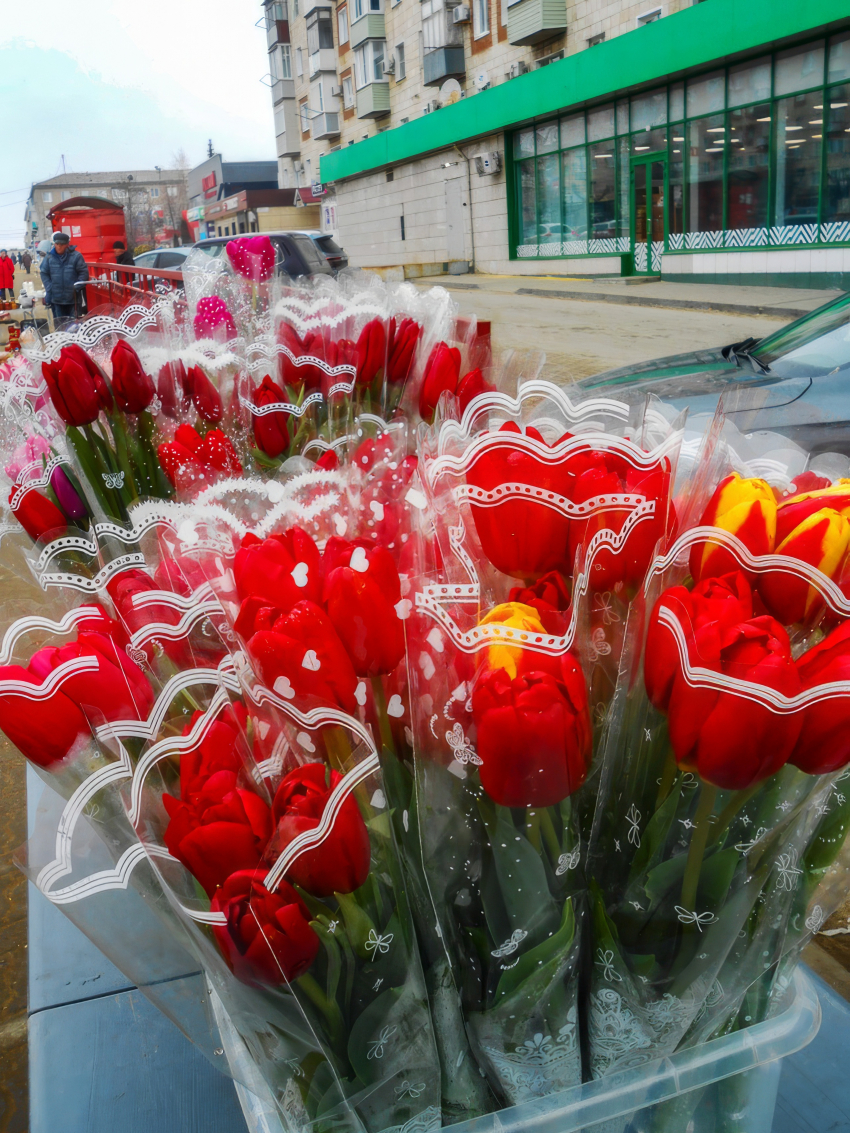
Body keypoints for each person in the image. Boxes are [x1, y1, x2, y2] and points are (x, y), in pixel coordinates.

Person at [40, 232, 89, 322]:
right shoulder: (49, 257)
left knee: (73, 326)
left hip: (73, 300)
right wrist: (49, 287)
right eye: (57, 244)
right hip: (56, 299)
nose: (59, 246)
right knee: (59, 326)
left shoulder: (76, 256)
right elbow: (44, 273)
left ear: (67, 244)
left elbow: (84, 273)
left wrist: (76, 287)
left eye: (62, 244)